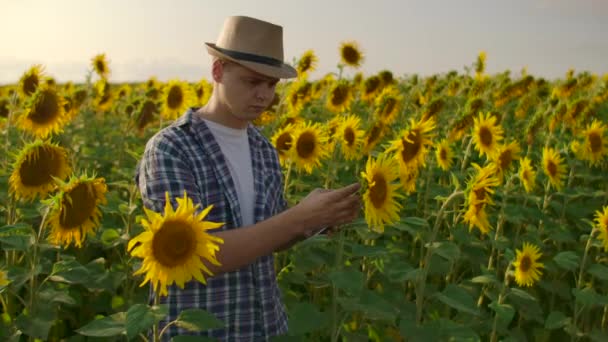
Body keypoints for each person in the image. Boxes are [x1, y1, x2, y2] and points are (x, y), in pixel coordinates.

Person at [135, 15, 361, 341]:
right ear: (217, 71)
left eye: (270, 85)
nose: (263, 96)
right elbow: (192, 254)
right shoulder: (171, 148)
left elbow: (270, 234)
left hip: (264, 326)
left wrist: (318, 221)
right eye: (252, 82)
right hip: (200, 331)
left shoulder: (264, 149)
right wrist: (298, 219)